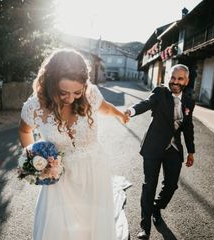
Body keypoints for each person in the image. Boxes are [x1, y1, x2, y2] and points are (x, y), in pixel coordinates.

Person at [18, 48, 130, 240]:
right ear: (51, 82)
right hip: (60, 177)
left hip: (94, 170)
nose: (70, 98)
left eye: (77, 92)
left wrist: (121, 115)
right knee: (60, 227)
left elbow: (106, 108)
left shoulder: (91, 94)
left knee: (92, 223)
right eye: (63, 92)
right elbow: (24, 131)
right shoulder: (35, 106)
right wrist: (35, 160)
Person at [125, 64, 195, 239]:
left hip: (174, 149)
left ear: (186, 80)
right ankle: (145, 227)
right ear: (168, 77)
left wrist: (191, 151)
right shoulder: (160, 92)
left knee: (171, 185)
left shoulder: (189, 102)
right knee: (149, 185)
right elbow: (146, 104)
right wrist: (131, 110)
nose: (175, 82)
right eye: (173, 77)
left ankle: (156, 207)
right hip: (154, 147)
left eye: (179, 78)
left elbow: (188, 127)